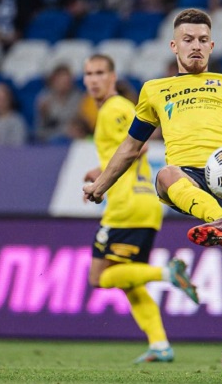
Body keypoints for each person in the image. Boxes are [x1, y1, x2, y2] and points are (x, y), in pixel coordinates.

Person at [83, 9, 222, 381]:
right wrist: (100, 186)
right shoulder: (154, 90)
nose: (196, 46)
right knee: (165, 174)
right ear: (174, 46)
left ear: (212, 45)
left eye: (203, 40)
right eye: (188, 40)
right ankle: (220, 220)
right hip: (188, 176)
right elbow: (130, 147)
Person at [82, 53, 199, 364]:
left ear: (112, 76)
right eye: (89, 74)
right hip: (144, 203)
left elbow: (139, 145)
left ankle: (168, 273)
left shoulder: (114, 108)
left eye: (100, 73)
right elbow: (124, 151)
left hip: (126, 204)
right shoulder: (115, 108)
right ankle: (160, 345)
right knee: (129, 281)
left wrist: (102, 181)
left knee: (99, 277)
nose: (93, 79)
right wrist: (100, 170)